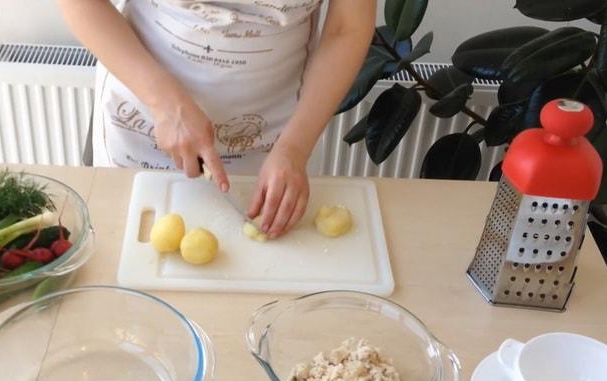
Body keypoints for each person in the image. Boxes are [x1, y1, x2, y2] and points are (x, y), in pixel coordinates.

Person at [60, 0, 375, 239]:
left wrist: (294, 149)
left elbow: (346, 28)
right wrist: (164, 101)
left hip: (277, 134)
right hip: (142, 116)